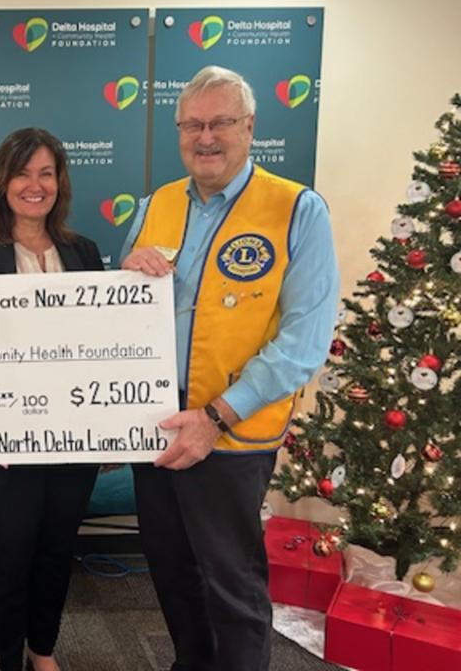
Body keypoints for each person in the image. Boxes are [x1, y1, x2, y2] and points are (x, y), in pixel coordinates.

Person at [120, 66, 338, 670]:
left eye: (220, 122)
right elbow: (121, 314)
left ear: (249, 127)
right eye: (192, 125)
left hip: (233, 433)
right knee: (170, 568)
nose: (206, 137)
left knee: (232, 583)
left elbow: (304, 341)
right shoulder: (156, 205)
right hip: (157, 425)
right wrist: (126, 271)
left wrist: (215, 417)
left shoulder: (296, 209)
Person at [0, 128, 102, 671]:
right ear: (2, 182)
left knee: (57, 549)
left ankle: (43, 649)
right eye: (22, 173)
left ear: (60, 182)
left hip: (72, 438)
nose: (35, 186)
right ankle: (7, 656)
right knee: (10, 554)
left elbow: (105, 343)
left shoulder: (83, 252)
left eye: (46, 173)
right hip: (0, 444)